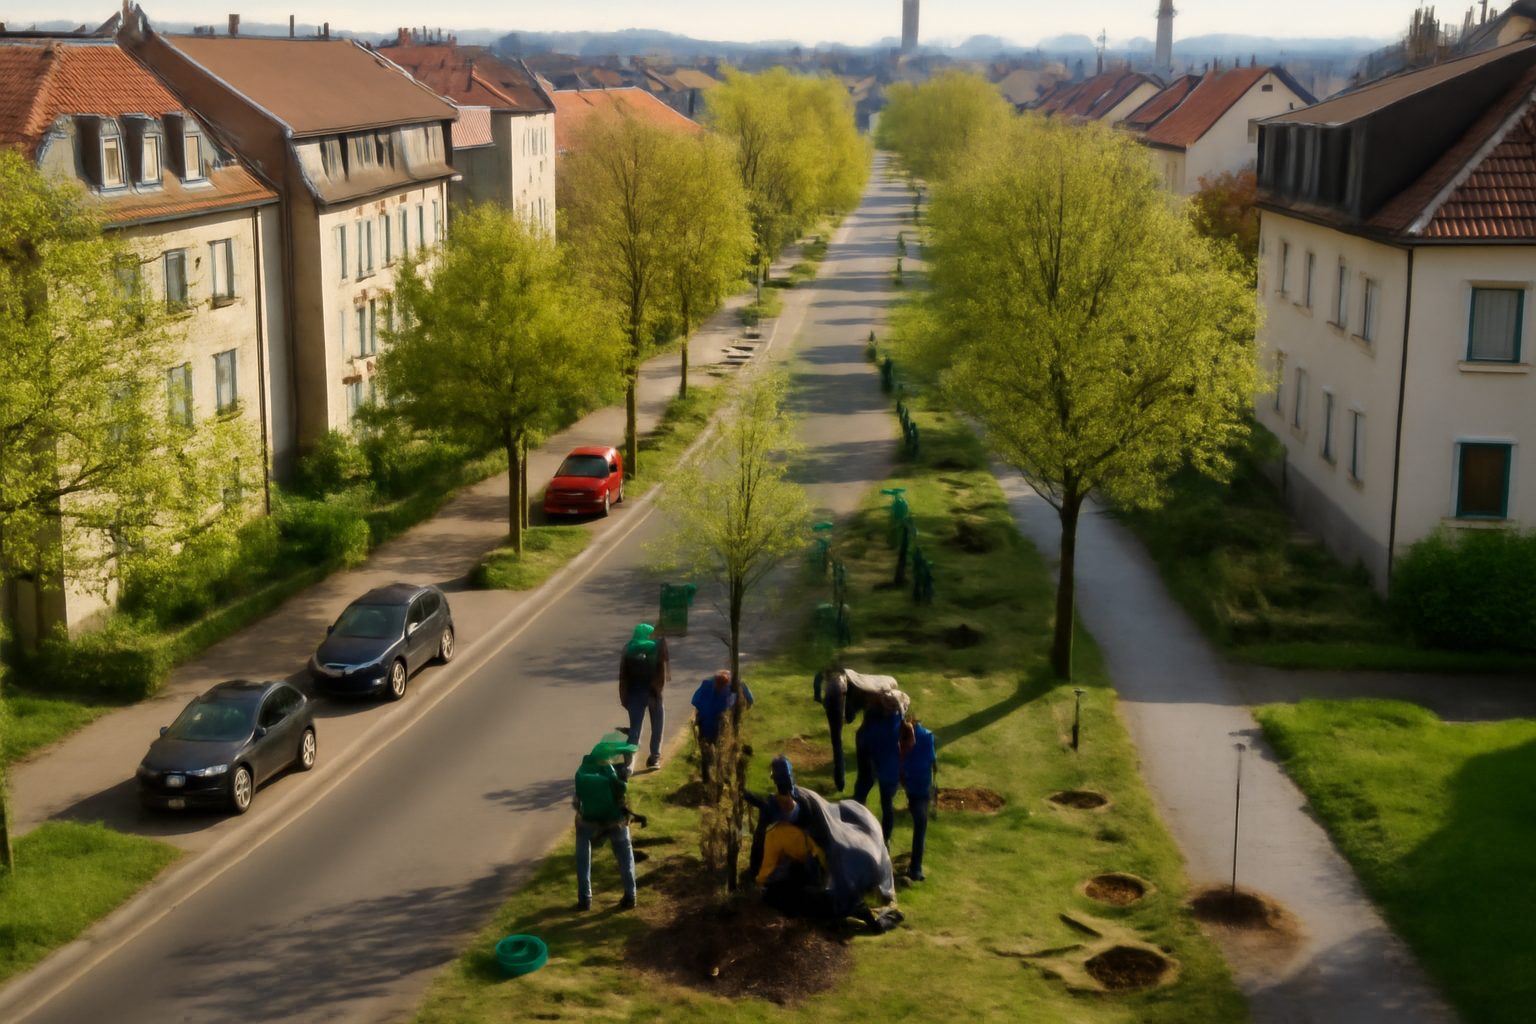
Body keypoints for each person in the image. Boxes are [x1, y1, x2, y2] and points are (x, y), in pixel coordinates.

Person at [572, 737, 647, 911]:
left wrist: (581, 812)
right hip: (615, 821)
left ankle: (585, 898)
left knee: (583, 855)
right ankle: (630, 895)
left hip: (588, 822)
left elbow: (578, 801)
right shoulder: (612, 776)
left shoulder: (582, 774)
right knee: (625, 854)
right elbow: (621, 791)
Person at [618, 623, 669, 776]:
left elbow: (623, 676)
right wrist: (656, 693)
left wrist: (623, 696)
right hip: (653, 693)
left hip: (633, 694)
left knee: (635, 730)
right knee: (657, 726)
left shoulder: (628, 649)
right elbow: (661, 674)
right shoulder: (656, 649)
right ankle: (654, 758)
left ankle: (628, 766)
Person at [853, 691, 903, 843]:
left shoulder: (877, 729)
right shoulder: (900, 720)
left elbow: (866, 742)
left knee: (862, 793)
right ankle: (886, 839)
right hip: (895, 772)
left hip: (880, 769)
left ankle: (856, 825)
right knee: (887, 807)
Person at [691, 670, 754, 783]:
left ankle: (724, 777)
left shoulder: (735, 684)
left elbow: (749, 699)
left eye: (720, 687)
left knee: (723, 750)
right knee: (707, 751)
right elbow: (697, 703)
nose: (718, 689)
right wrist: (698, 720)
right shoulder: (707, 686)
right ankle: (707, 777)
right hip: (707, 724)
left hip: (723, 725)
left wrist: (743, 705)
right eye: (717, 686)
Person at [899, 717, 937, 881]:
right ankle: (916, 869)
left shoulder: (902, 737)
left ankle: (915, 868)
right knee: (921, 826)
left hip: (912, 787)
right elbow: (932, 762)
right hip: (923, 787)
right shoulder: (928, 736)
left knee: (920, 823)